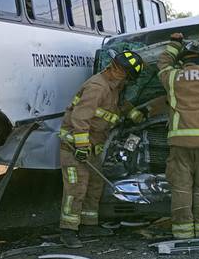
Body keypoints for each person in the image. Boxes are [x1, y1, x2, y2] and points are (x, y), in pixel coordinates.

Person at [129, 33, 199, 239]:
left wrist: (175, 43)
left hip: (180, 142)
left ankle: (182, 233)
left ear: (183, 60)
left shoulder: (172, 78)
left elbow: (163, 62)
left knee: (181, 186)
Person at [58, 51, 145, 248]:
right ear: (120, 71)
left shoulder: (113, 87)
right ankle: (68, 231)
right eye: (128, 76)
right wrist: (81, 146)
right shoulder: (98, 87)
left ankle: (89, 225)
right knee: (76, 189)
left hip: (93, 147)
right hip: (75, 148)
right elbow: (79, 118)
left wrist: (135, 114)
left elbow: (117, 106)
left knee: (94, 186)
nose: (128, 82)